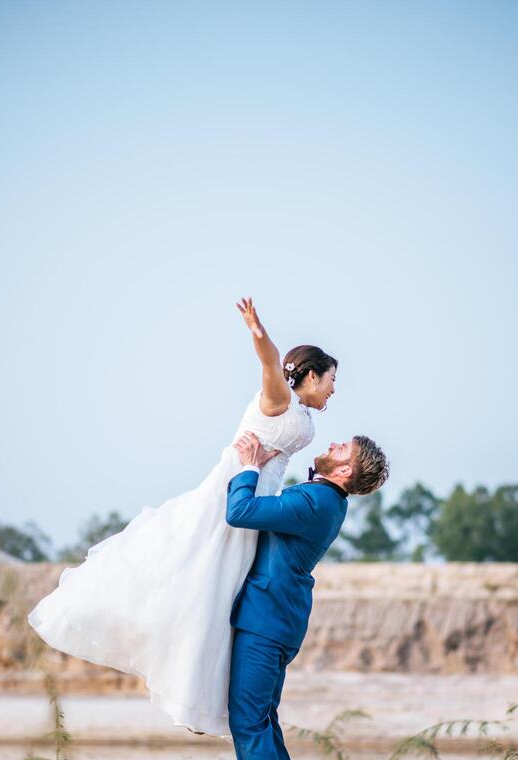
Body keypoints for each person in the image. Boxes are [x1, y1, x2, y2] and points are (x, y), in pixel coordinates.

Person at [27, 298, 338, 737]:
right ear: (309, 374)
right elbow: (269, 362)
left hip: (258, 494)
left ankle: (199, 694)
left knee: (221, 591)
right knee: (200, 582)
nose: (332, 389)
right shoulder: (278, 398)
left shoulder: (297, 412)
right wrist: (258, 330)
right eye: (330, 380)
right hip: (235, 488)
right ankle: (186, 687)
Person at [224, 429, 389, 760]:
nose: (333, 444)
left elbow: (240, 512)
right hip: (278, 619)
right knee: (263, 721)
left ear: (346, 469)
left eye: (341, 449)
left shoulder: (317, 501)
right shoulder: (326, 500)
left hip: (266, 621)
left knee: (248, 723)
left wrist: (248, 467)